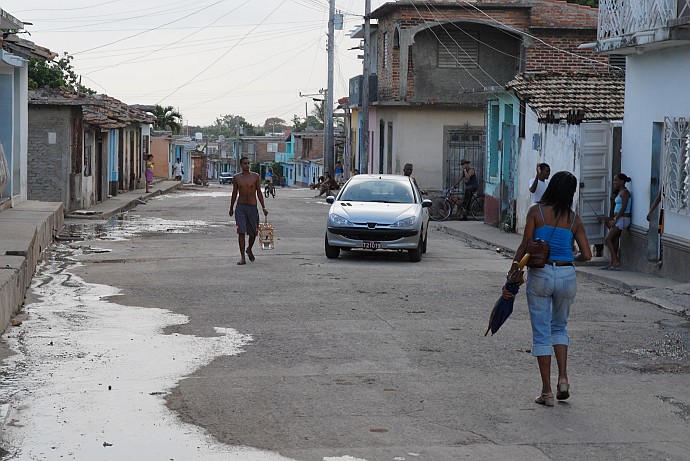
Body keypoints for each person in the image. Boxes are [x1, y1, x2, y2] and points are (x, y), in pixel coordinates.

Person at [509, 171, 592, 407]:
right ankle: (563, 379)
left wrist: (514, 268)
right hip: (567, 274)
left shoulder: (536, 211)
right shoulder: (574, 218)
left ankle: (546, 392)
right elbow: (586, 255)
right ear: (571, 192)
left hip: (541, 274)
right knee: (560, 326)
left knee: (541, 332)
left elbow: (525, 244)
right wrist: (571, 255)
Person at [229, 157, 268, 265]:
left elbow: (259, 192)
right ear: (241, 165)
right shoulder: (237, 178)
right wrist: (231, 207)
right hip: (241, 207)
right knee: (241, 231)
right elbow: (234, 193)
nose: (247, 165)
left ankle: (249, 248)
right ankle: (242, 257)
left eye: (248, 163)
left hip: (252, 206)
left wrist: (263, 207)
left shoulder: (255, 176)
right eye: (245, 163)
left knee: (253, 233)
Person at [598, 173, 632, 271]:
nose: (614, 182)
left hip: (622, 219)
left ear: (622, 181)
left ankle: (616, 261)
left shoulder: (625, 192)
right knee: (614, 239)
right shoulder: (619, 192)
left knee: (608, 239)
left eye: (616, 180)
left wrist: (615, 220)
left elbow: (624, 208)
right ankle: (613, 261)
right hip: (619, 218)